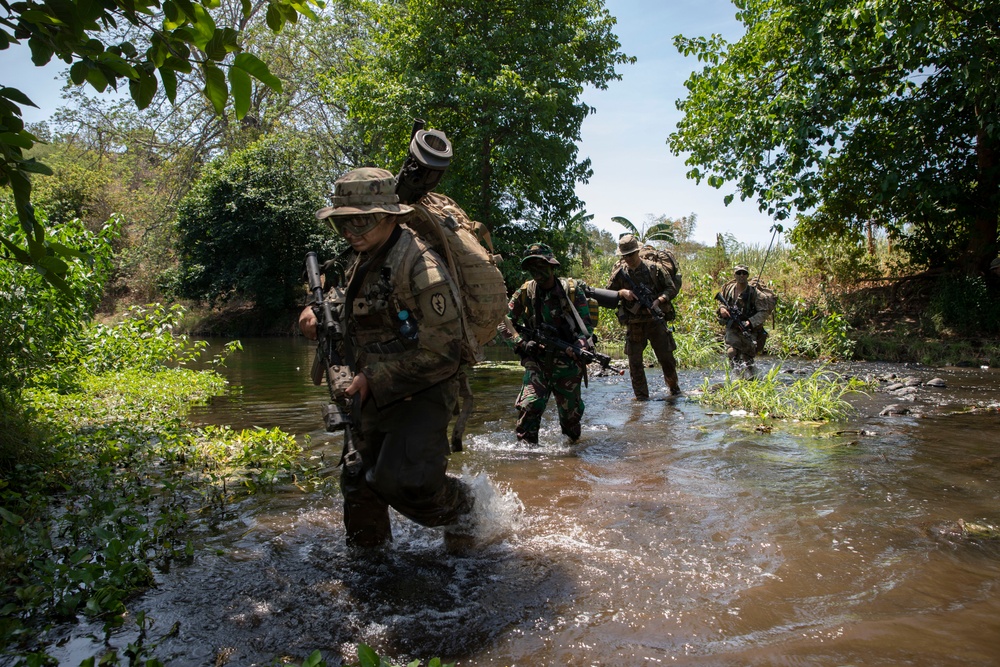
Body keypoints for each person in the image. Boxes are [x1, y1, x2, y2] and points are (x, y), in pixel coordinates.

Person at [298, 167, 473, 550]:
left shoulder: (422, 269)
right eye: (343, 223)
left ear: (390, 217)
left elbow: (445, 353)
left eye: (362, 221)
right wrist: (316, 308)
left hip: (423, 387)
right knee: (359, 481)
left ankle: (466, 512)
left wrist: (374, 380)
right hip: (368, 385)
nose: (350, 232)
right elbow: (347, 298)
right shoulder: (361, 252)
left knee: (405, 481)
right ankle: (371, 569)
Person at [499, 243, 595, 444]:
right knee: (530, 409)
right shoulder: (526, 292)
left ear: (552, 266)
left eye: (541, 266)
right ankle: (527, 464)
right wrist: (521, 343)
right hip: (538, 362)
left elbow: (586, 328)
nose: (537, 272)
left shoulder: (571, 291)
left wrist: (580, 346)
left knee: (571, 423)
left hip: (567, 365)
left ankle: (573, 457)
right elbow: (502, 321)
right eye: (532, 267)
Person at [605, 234, 681, 400]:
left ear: (638, 251)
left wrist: (659, 300)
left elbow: (671, 288)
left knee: (667, 359)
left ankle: (674, 392)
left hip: (656, 322)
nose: (628, 258)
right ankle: (641, 400)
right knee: (635, 364)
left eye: (631, 254)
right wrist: (622, 293)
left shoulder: (654, 269)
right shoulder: (619, 274)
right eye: (624, 255)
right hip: (634, 325)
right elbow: (607, 294)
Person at [715, 264, 775, 372]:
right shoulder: (728, 289)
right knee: (732, 352)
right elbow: (721, 303)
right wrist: (722, 309)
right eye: (738, 273)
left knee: (747, 358)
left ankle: (751, 379)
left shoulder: (755, 293)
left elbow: (764, 312)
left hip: (749, 328)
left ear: (747, 275)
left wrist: (750, 322)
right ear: (734, 275)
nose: (741, 275)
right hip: (732, 326)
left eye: (744, 273)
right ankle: (736, 377)